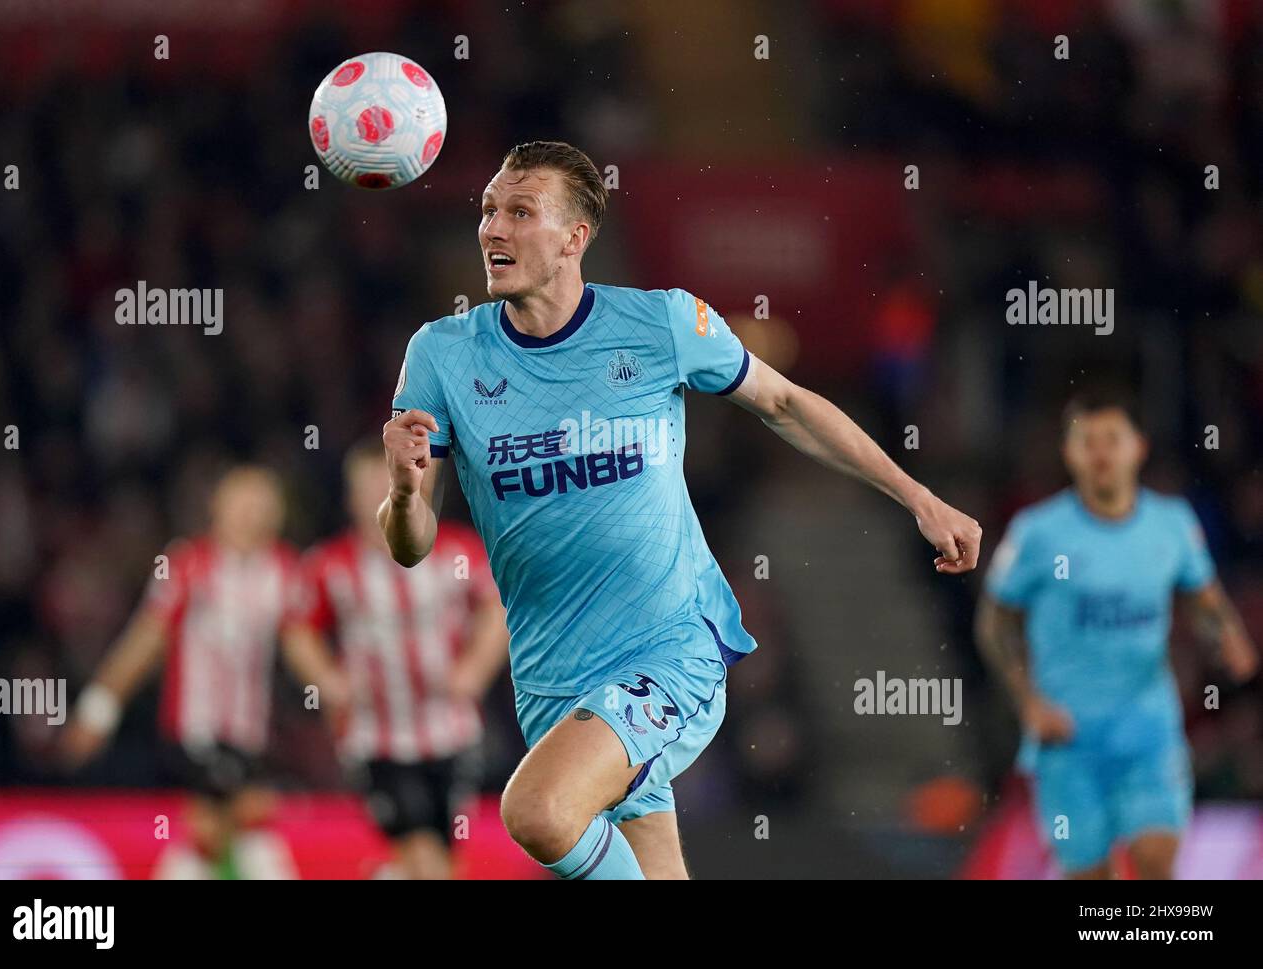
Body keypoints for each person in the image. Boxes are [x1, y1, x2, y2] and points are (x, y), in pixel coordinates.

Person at [379, 140, 982, 879]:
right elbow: (409, 546)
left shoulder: (661, 326)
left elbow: (787, 403)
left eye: (520, 212)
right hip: (552, 679)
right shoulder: (442, 354)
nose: (493, 229)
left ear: (576, 237)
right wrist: (406, 491)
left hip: (671, 651)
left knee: (537, 811)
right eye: (488, 210)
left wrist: (916, 496)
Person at [977, 390, 1259, 879]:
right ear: (1069, 453)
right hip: (1069, 738)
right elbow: (995, 625)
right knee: (1092, 878)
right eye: (1088, 442)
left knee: (1155, 860)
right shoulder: (1038, 533)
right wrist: (1028, 702)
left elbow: (1205, 600)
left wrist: (1227, 636)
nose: (1102, 453)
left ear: (1139, 448)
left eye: (1113, 439)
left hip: (1149, 732)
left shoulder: (1171, 525)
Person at [283, 441, 508, 879]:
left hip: (451, 731)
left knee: (440, 855)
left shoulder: (456, 553)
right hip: (375, 737)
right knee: (419, 849)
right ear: (350, 499)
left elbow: (495, 608)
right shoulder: (332, 565)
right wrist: (326, 680)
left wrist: (475, 669)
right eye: (366, 488)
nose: (379, 496)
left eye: (386, 484)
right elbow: (298, 627)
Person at [63, 465, 298, 879]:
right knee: (235, 821)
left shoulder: (282, 571)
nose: (251, 514)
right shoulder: (189, 565)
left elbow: (302, 644)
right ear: (217, 507)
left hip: (252, 734)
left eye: (262, 505)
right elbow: (146, 641)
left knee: (220, 835)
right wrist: (98, 708)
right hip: (195, 729)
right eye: (242, 503)